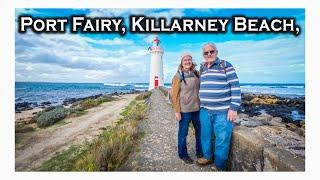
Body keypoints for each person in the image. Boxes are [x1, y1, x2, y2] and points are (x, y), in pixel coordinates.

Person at [196, 43, 241, 171]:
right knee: (205, 136)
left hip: (223, 111)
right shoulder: (203, 68)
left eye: (212, 51)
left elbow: (235, 87)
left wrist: (233, 108)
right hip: (204, 110)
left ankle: (220, 166)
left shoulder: (226, 65)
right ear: (203, 55)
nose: (209, 54)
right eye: (206, 53)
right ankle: (207, 156)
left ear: (216, 52)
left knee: (222, 140)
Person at [171, 52, 203, 164]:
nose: (187, 61)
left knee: (200, 132)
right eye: (185, 60)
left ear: (192, 61)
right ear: (181, 62)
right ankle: (182, 154)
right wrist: (177, 111)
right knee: (183, 134)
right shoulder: (177, 76)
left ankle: (200, 153)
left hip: (197, 109)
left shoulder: (196, 73)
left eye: (189, 59)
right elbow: (174, 95)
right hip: (184, 111)